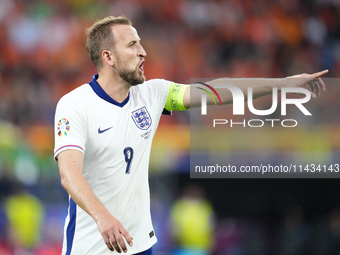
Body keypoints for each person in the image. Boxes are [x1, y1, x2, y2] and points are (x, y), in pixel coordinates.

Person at [54, 16, 328, 255]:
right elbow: (70, 175)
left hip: (138, 245)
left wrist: (282, 84)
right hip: (90, 247)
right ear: (108, 57)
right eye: (132, 45)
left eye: (140, 43)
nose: (143, 52)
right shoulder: (74, 106)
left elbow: (218, 91)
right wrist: (104, 218)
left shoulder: (153, 94)